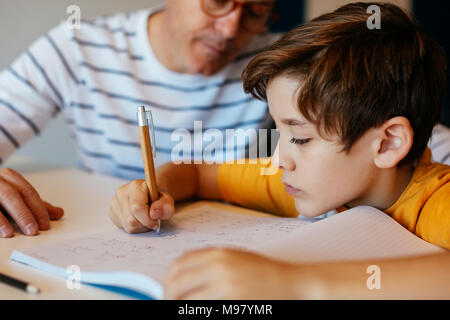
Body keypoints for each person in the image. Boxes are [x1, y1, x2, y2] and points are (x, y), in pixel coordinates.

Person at [110, 2, 450, 299]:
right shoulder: (308, 183)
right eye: (279, 131)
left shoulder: (438, 201)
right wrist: (154, 189)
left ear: (388, 143)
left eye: (301, 139)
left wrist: (295, 285)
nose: (278, 159)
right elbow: (198, 173)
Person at [0, 0, 280, 238]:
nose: (230, 29)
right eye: (218, 1)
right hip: (98, 239)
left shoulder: (280, 65)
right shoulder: (77, 47)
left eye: (256, 10)